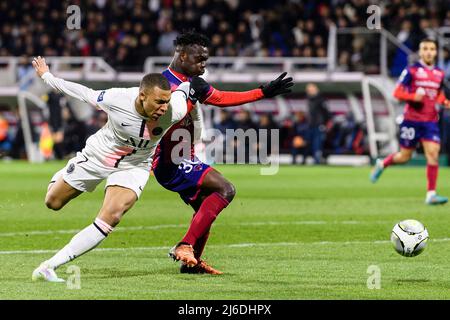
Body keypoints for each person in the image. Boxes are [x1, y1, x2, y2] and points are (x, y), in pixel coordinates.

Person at [30, 56, 205, 282]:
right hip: (98, 156)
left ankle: (49, 266)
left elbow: (186, 90)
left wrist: (197, 87)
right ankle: (67, 172)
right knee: (52, 202)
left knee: (112, 216)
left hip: (135, 166)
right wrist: (47, 76)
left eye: (166, 102)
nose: (164, 108)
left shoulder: (175, 108)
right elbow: (83, 92)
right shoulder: (117, 98)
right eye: (159, 102)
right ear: (142, 96)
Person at [154, 31, 293, 274]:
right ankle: (185, 246)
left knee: (204, 211)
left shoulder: (192, 83)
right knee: (226, 189)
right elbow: (155, 120)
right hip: (171, 161)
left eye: (206, 60)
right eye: (199, 59)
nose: (203, 65)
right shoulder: (162, 85)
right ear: (182, 55)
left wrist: (263, 92)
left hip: (183, 158)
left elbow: (221, 97)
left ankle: (192, 264)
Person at [370, 39, 450, 205]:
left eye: (432, 49)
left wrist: (446, 102)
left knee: (433, 154)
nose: (429, 52)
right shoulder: (412, 71)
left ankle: (431, 194)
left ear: (436, 52)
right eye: (425, 49)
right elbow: (397, 92)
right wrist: (413, 97)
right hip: (411, 120)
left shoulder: (439, 73)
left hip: (430, 121)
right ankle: (382, 164)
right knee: (404, 156)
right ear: (420, 52)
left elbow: (438, 95)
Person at [305, 83, 332, 164]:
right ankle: (314, 159)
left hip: (319, 125)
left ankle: (317, 160)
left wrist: (324, 124)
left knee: (317, 144)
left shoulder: (321, 99)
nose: (309, 91)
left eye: (310, 89)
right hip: (311, 125)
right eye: (308, 90)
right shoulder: (309, 99)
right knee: (311, 143)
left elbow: (327, 113)